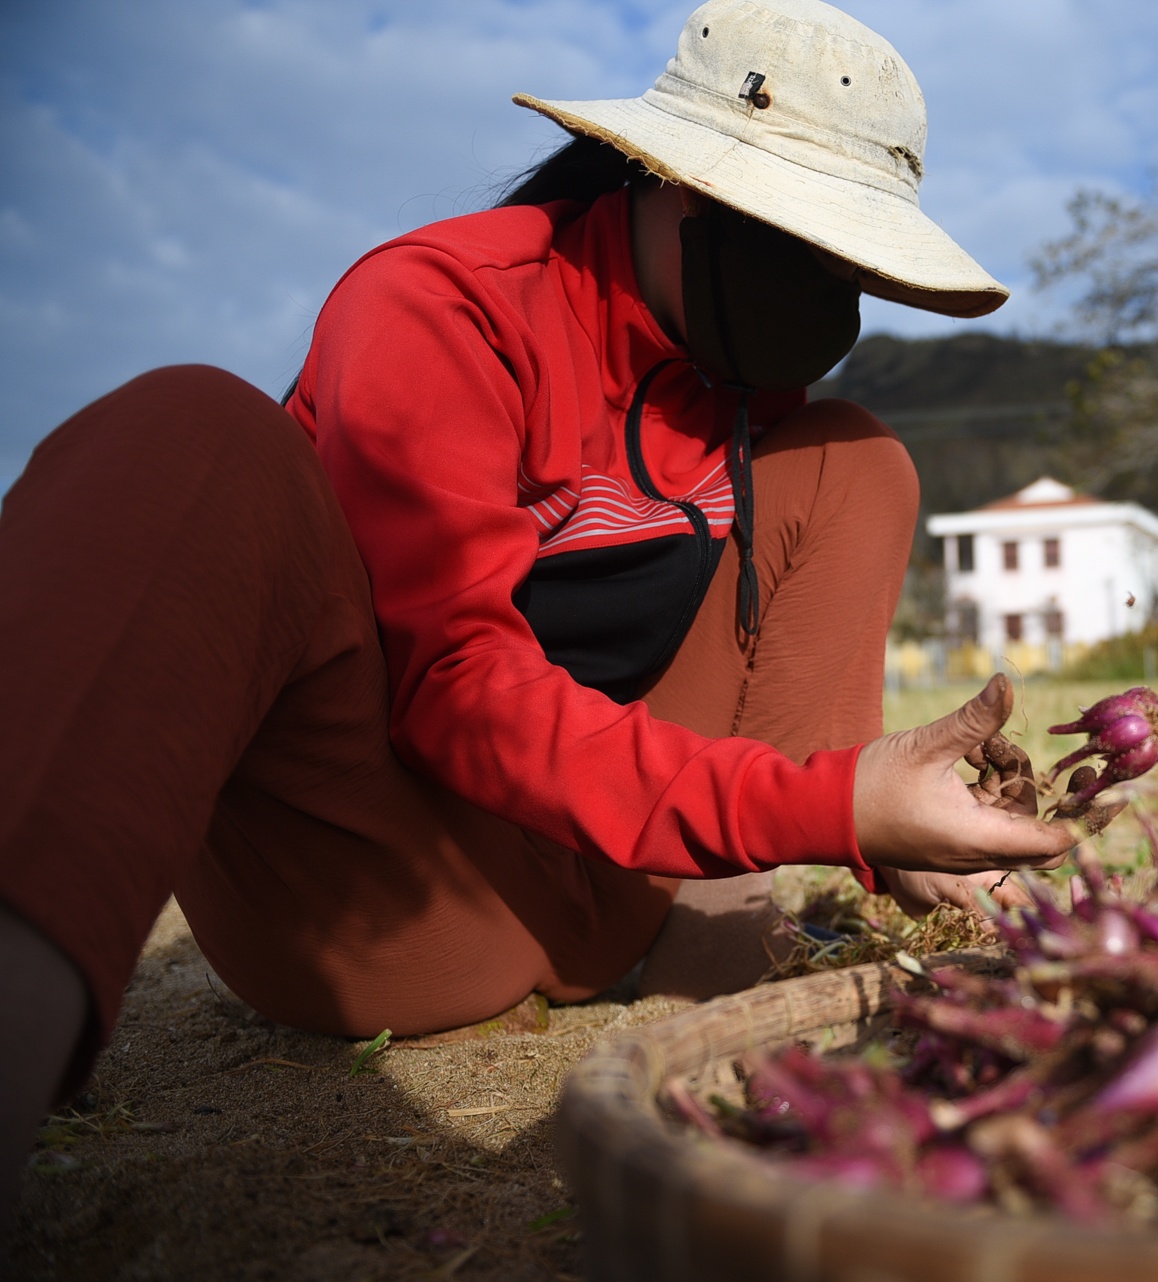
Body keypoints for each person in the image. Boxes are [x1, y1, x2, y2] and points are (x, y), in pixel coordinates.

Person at [0, 0, 1077, 1214]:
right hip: (405, 898)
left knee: (857, 457)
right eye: (794, 238)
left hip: (627, 883)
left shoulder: (744, 392)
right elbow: (454, 684)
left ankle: (719, 924)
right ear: (667, 183)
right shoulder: (445, 306)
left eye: (847, 264)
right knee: (190, 431)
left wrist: (878, 827)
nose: (821, 294)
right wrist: (835, 802)